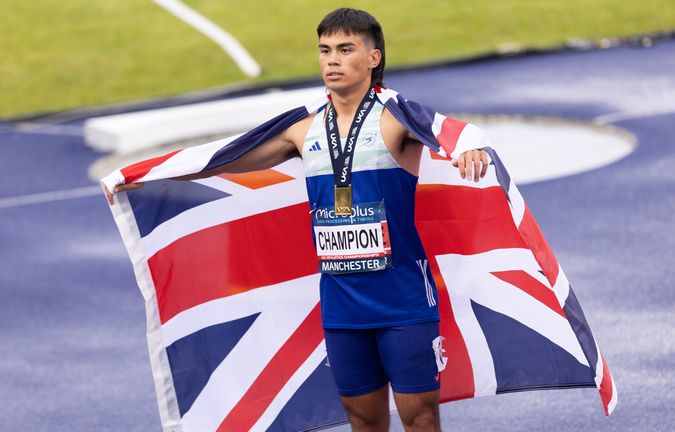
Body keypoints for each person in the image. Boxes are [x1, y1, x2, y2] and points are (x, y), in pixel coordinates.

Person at [104, 8, 488, 432]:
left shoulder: (395, 118)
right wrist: (151, 174)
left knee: (420, 418)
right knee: (362, 419)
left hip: (404, 303)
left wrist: (468, 147)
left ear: (374, 58)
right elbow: (227, 157)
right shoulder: (304, 129)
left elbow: (446, 128)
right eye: (324, 51)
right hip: (343, 307)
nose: (332, 60)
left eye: (345, 49)